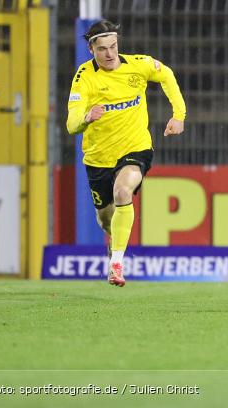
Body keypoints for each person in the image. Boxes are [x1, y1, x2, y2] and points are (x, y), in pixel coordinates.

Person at [66, 20, 186, 287]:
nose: (110, 54)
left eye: (113, 46)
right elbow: (71, 124)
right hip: (98, 158)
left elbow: (165, 74)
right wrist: (86, 117)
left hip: (136, 148)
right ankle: (114, 241)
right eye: (102, 49)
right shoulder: (84, 77)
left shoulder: (138, 65)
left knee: (123, 191)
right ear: (91, 49)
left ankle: (116, 264)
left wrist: (179, 115)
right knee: (105, 219)